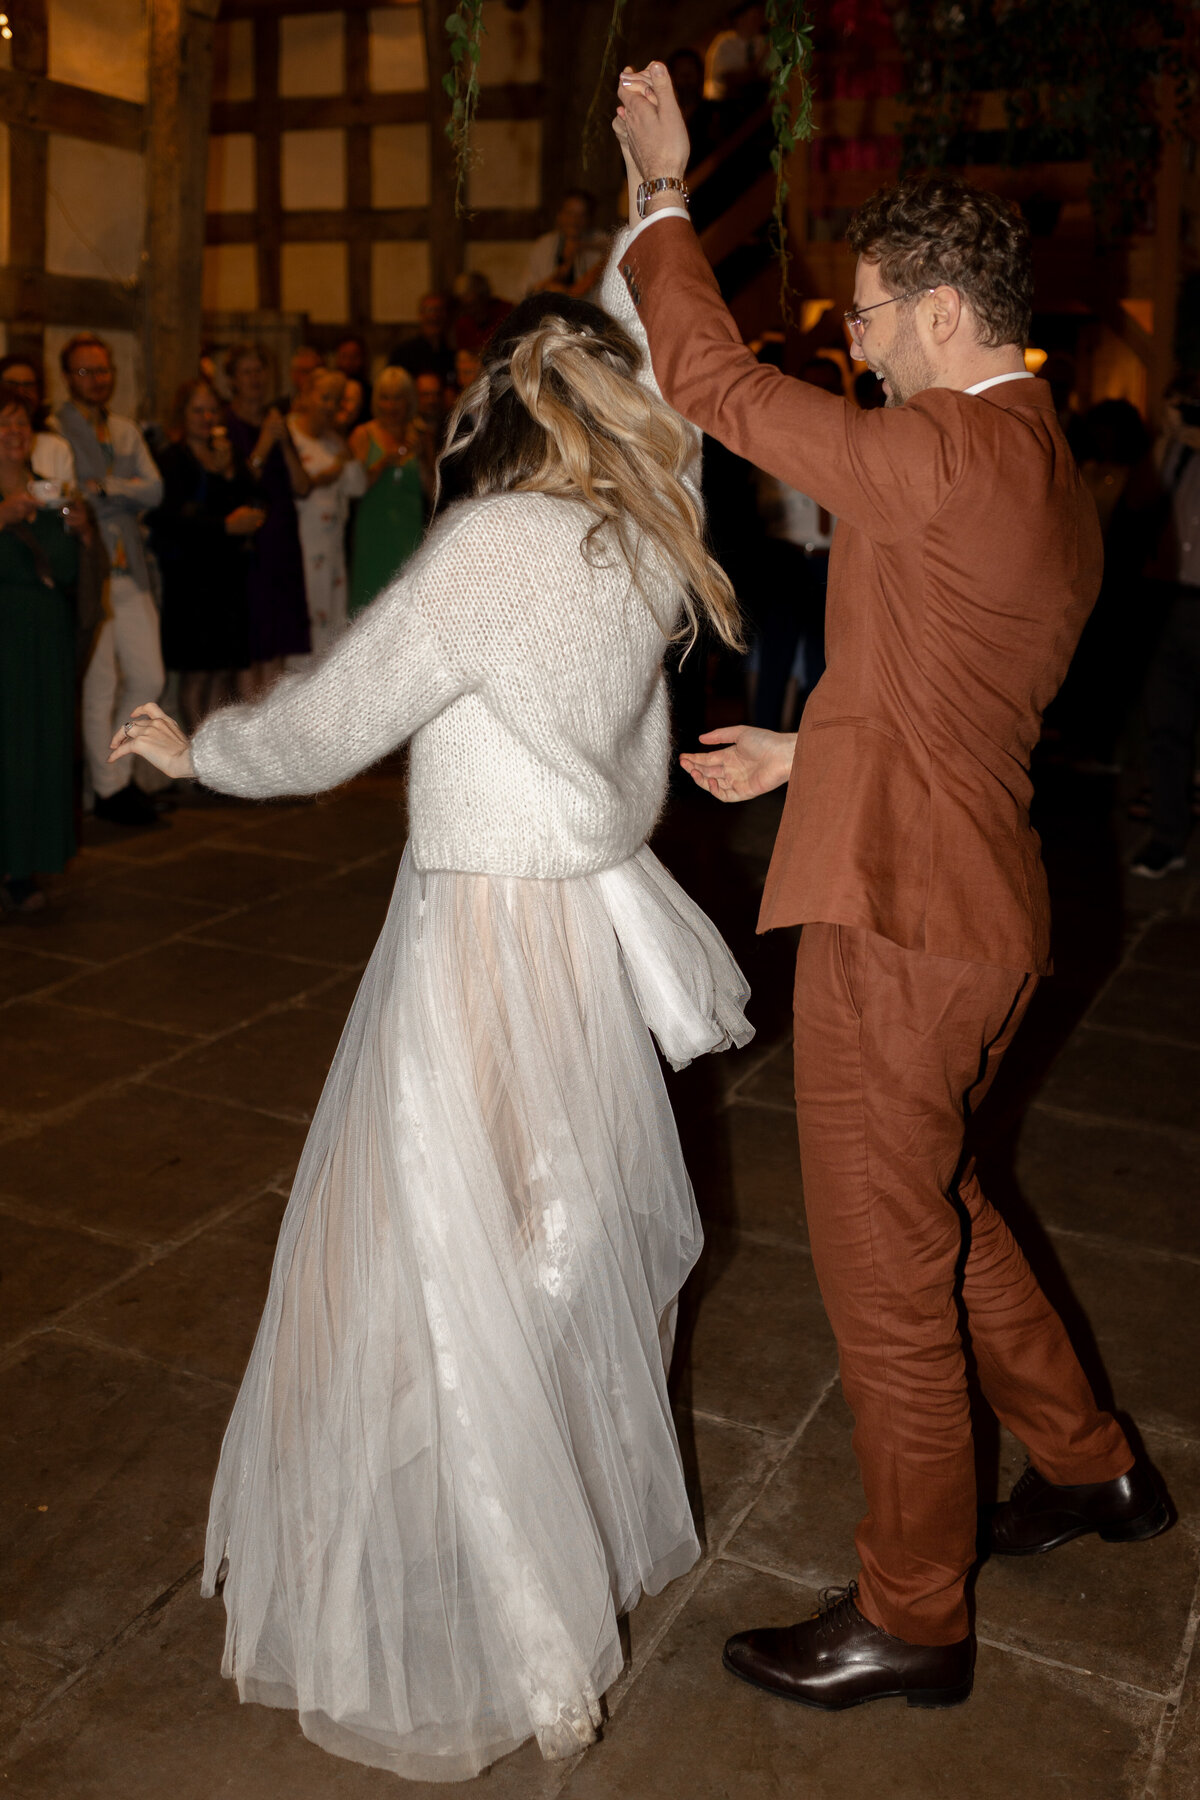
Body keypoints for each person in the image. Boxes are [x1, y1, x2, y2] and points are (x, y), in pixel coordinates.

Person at [105, 261, 752, 1780]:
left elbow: (338, 717)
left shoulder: (488, 548)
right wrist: (647, 213)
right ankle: (508, 1529)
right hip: (580, 942)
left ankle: (518, 1628)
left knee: (417, 1249)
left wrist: (198, 747)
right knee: (545, 1237)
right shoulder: (648, 540)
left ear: (507, 406)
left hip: (471, 934)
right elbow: (668, 400)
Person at [613, 64, 1167, 1713]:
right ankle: (1092, 1465)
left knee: (884, 1279)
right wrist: (809, 753)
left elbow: (708, 377)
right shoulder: (1044, 471)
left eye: (864, 317)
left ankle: (913, 1613)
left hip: (902, 924)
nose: (852, 342)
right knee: (947, 1207)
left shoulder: (936, 449)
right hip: (985, 903)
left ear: (934, 315)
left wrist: (661, 192)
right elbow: (953, 688)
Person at [54, 331, 165, 829]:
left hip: (129, 569)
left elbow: (156, 490)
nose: (96, 380)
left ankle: (116, 778)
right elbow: (69, 495)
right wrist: (120, 493)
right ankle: (107, 788)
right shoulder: (57, 430)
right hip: (92, 570)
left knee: (148, 677)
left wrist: (107, 488)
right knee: (99, 686)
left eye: (102, 370)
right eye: (84, 371)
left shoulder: (123, 429)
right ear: (67, 376)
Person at [0, 381, 93, 912]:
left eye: (21, 422)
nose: (14, 432)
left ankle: (25, 864)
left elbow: (66, 572)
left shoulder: (48, 492)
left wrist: (80, 534)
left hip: (43, 637)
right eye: (4, 422)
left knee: (39, 747)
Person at [149, 379, 265, 729]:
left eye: (211, 409)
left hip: (227, 575)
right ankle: (196, 762)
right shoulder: (172, 458)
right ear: (182, 415)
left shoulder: (228, 453)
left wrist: (228, 470)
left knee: (222, 673)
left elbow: (253, 496)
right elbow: (169, 519)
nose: (205, 416)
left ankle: (211, 760)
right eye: (197, 409)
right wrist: (224, 526)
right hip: (191, 580)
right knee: (197, 675)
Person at [1131, 379, 1200, 877]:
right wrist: (1166, 441)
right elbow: (1139, 505)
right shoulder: (1174, 454)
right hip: (1170, 599)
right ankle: (1168, 835)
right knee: (1165, 725)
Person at [224, 343, 313, 692]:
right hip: (249, 545)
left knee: (278, 641)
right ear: (232, 380)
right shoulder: (226, 423)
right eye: (246, 372)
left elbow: (302, 486)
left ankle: (271, 731)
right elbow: (236, 485)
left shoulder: (276, 423)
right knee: (254, 644)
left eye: (259, 371)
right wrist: (263, 443)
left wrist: (284, 442)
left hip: (282, 541)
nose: (255, 379)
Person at [287, 368, 367, 659]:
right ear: (306, 395)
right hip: (302, 546)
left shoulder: (333, 442)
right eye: (325, 397)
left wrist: (343, 448)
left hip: (331, 549)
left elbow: (357, 485)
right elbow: (300, 485)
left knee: (331, 626)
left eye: (336, 400)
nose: (331, 406)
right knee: (304, 624)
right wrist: (335, 468)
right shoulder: (290, 435)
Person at [348, 365, 426, 618]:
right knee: (368, 603)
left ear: (409, 401)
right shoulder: (363, 434)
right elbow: (354, 488)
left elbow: (433, 490)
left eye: (397, 398)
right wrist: (383, 463)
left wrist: (423, 456)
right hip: (373, 531)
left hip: (408, 531)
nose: (391, 406)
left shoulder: (421, 434)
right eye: (385, 397)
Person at [0, 354, 77, 491]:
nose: (21, 392)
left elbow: (65, 502)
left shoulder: (55, 446)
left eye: (28, 385)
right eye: (11, 385)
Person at [523, 190, 608, 299]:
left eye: (581, 215)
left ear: (589, 218)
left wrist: (584, 246)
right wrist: (565, 267)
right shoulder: (544, 245)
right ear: (559, 215)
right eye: (569, 213)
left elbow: (578, 293)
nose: (574, 220)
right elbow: (530, 290)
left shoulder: (601, 243)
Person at [388, 292, 456, 389]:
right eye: (430, 311)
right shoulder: (403, 353)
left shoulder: (451, 355)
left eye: (439, 311)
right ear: (420, 315)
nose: (434, 316)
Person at [451, 269, 512, 356]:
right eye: (462, 298)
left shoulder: (505, 312)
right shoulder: (463, 322)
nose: (466, 302)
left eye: (469, 295)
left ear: (483, 295)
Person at [333, 333, 372, 431]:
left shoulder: (371, 393)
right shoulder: (329, 388)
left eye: (354, 356)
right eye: (344, 356)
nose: (348, 362)